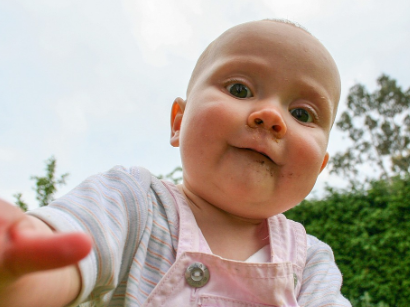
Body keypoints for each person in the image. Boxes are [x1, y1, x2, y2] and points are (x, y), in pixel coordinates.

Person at [0, 19, 352, 306]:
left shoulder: (310, 263)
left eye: (302, 113)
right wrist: (18, 276)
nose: (271, 116)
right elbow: (57, 260)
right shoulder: (132, 205)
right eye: (240, 90)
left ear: (319, 168)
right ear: (178, 123)